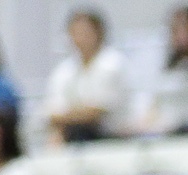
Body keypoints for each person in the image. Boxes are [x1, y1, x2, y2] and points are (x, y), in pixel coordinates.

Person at [44, 10, 127, 144]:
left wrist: (68, 116)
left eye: (85, 32)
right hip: (75, 136)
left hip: (114, 137)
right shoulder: (65, 70)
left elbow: (96, 113)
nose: (80, 38)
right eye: (75, 33)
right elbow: (53, 112)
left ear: (99, 33)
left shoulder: (112, 63)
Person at [144, 7, 188, 133]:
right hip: (159, 129)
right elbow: (154, 104)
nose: (176, 34)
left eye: (183, 28)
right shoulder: (170, 67)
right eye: (173, 29)